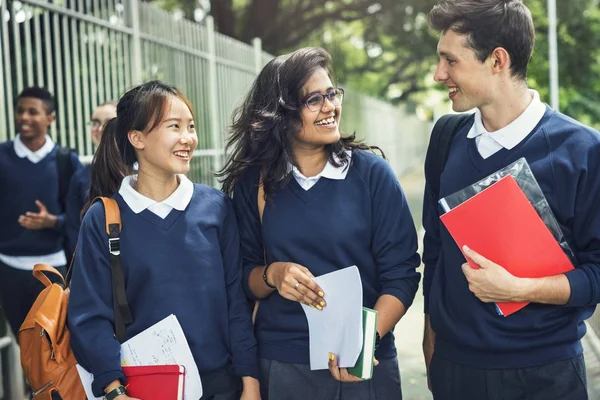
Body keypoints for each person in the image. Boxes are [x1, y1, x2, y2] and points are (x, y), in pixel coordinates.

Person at [219, 47, 421, 400]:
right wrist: (274, 274)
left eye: (331, 94)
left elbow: (402, 274)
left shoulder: (372, 176)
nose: (330, 107)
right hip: (285, 365)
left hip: (365, 364)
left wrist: (363, 339)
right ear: (281, 113)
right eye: (314, 99)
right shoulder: (254, 184)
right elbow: (244, 276)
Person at [422, 1, 600, 399]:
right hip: (455, 371)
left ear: (497, 60)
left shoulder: (583, 151)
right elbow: (434, 250)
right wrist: (431, 343)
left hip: (546, 376)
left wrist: (520, 289)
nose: (439, 75)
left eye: (450, 61)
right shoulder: (446, 138)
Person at [67, 81, 260, 400]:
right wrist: (115, 392)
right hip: (143, 389)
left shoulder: (215, 208)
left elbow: (235, 303)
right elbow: (90, 316)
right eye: (175, 127)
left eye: (191, 126)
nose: (188, 138)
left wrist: (250, 383)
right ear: (137, 137)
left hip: (220, 386)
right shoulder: (103, 218)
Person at [0, 87, 82, 336]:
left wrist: (53, 221)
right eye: (20, 111)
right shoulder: (1, 156)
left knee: (53, 343)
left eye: (32, 112)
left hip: (52, 268)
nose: (24, 117)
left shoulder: (66, 160)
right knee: (23, 344)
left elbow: (80, 217)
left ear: (50, 118)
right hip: (8, 268)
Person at [65, 101, 117, 254]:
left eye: (108, 122)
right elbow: (74, 227)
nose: (100, 129)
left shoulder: (142, 171)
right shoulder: (81, 176)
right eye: (95, 122)